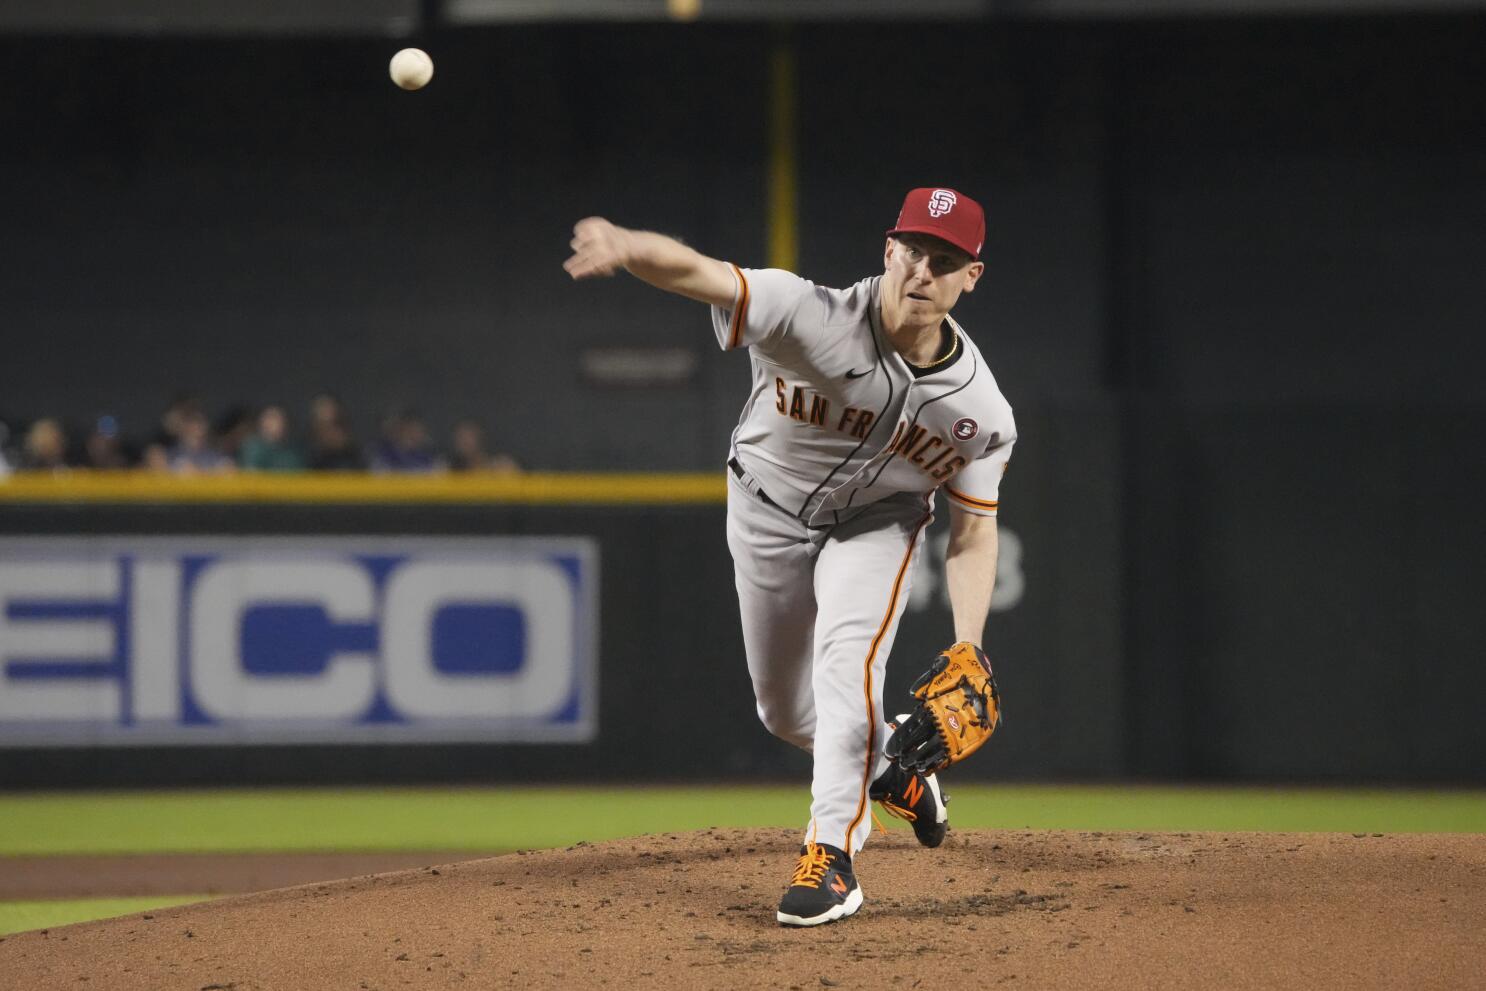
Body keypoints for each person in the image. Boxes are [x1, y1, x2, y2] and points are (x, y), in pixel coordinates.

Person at [564, 187, 1016, 927]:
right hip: (765, 508)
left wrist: (969, 644)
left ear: (972, 276)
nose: (922, 270)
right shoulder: (808, 314)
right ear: (887, 250)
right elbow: (699, 273)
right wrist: (628, 245)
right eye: (912, 250)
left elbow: (972, 532)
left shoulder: (981, 412)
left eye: (946, 260)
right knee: (783, 710)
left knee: (846, 670)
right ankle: (894, 762)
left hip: (878, 525)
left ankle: (830, 857)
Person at [238, 404, 305, 472]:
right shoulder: (252, 446)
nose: (275, 424)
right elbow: (251, 471)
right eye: (270, 419)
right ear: (262, 423)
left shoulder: (293, 451)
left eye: (279, 420)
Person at [447, 418, 519, 473]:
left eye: (469, 436)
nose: (464, 442)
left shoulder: (500, 467)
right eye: (460, 437)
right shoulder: (448, 470)